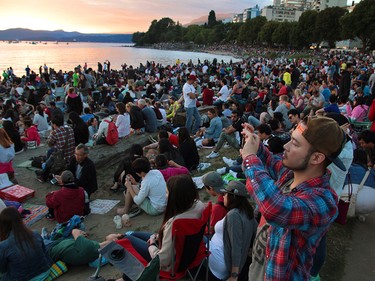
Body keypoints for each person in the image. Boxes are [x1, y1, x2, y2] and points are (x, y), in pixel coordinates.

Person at [241, 116, 345, 280]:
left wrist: (249, 159)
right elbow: (269, 161)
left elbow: (275, 208)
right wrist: (255, 142)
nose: (285, 146)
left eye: (295, 143)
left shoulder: (324, 201)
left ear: (316, 158)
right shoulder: (290, 173)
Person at [118, 174, 205, 280]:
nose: (165, 196)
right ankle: (129, 235)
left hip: (173, 264)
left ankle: (127, 277)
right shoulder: (199, 206)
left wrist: (152, 246)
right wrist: (159, 237)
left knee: (126, 240)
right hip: (189, 251)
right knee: (133, 234)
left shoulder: (175, 223)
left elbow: (163, 260)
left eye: (167, 193)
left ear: (176, 197)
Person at [208, 181, 257, 281]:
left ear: (233, 197)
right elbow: (256, 232)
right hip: (223, 258)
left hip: (222, 264)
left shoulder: (234, 215)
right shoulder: (248, 211)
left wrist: (234, 275)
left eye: (225, 194)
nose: (223, 196)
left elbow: (236, 246)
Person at [0, 207, 51, 281]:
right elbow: (45, 253)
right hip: (45, 272)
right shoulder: (35, 233)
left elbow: (3, 269)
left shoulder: (3, 246)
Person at [46, 229, 123, 266]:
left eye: (116, 234)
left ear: (114, 239)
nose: (116, 233)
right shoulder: (96, 248)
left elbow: (74, 231)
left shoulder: (91, 248)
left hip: (48, 250)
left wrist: (80, 234)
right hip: (57, 245)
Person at [36, 115, 75, 182]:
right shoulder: (70, 128)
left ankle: (43, 176)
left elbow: (49, 143)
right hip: (71, 153)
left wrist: (51, 133)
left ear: (54, 124)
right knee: (52, 152)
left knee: (51, 154)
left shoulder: (55, 132)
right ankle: (45, 171)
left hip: (62, 156)